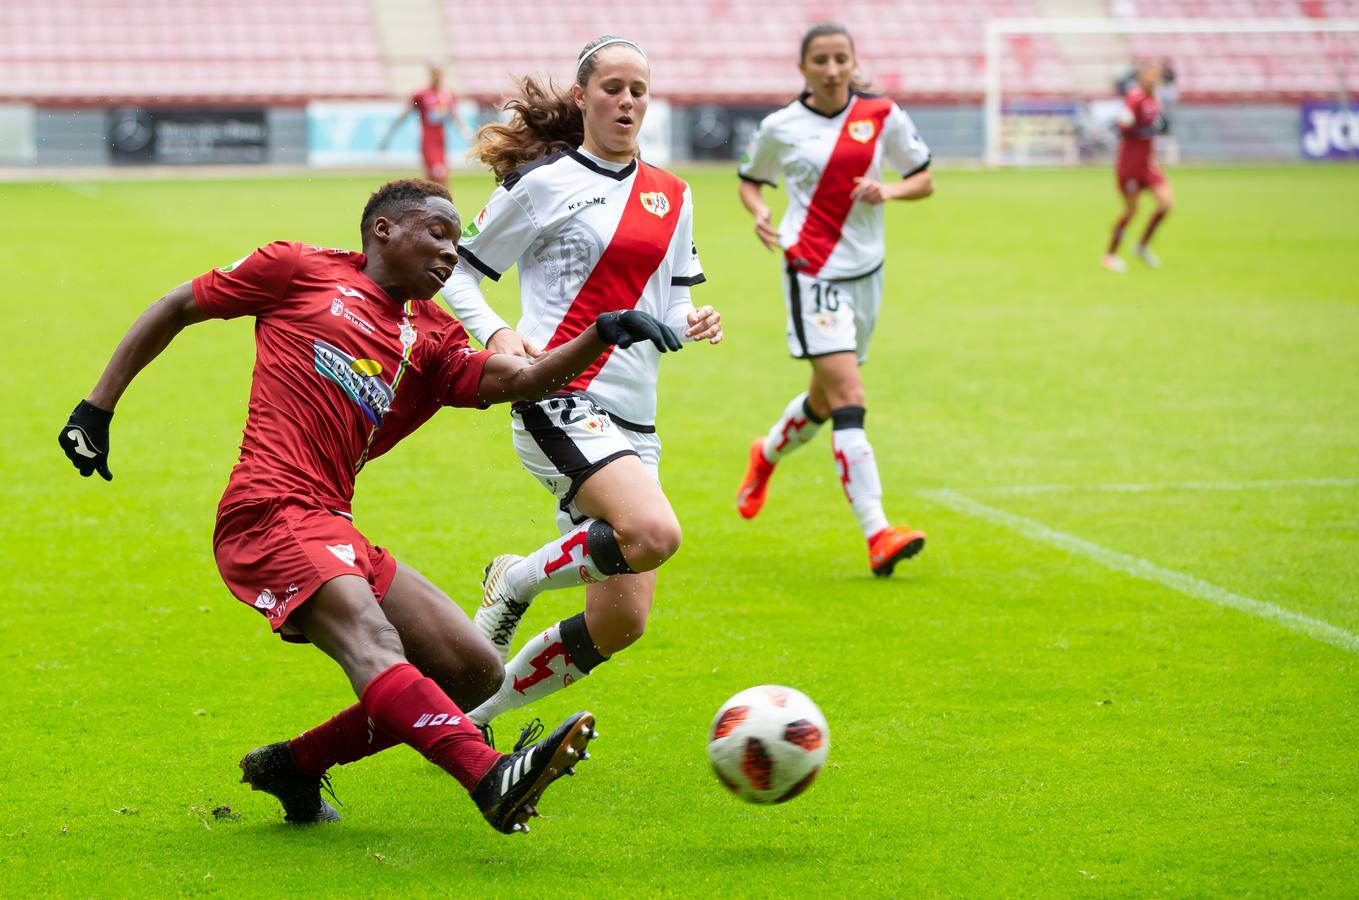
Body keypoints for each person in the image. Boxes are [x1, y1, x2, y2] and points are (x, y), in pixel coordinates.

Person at [56, 178, 684, 833]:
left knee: (472, 670)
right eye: (437, 235)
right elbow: (177, 305)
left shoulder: (432, 338)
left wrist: (600, 336)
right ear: (383, 230)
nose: (451, 253)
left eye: (457, 241)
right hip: (268, 510)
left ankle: (292, 765)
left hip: (331, 522)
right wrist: (96, 408)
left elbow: (523, 378)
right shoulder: (298, 269)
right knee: (373, 642)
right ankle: (487, 775)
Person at [440, 35, 722, 728]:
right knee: (653, 531)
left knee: (619, 624)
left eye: (638, 90)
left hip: (635, 416)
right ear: (581, 96)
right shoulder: (541, 184)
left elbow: (670, 303)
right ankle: (516, 581)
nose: (627, 101)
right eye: (612, 87)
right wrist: (499, 335)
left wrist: (695, 319)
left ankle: (473, 720)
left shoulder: (673, 195)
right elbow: (457, 270)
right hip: (556, 393)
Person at [734, 22, 933, 577]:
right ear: (803, 68)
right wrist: (759, 212)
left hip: (867, 271)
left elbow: (923, 178)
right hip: (810, 269)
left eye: (840, 58)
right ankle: (878, 531)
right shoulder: (780, 126)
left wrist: (887, 189)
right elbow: (751, 178)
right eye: (819, 59)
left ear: (852, 62)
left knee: (823, 401)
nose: (830, 68)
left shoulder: (882, 115)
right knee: (849, 396)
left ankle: (765, 453)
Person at [1104, 61, 1174, 272]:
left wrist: (1156, 128)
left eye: (1156, 75)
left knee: (1166, 204)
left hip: (1148, 164)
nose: (1153, 79)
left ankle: (1141, 246)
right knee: (1132, 211)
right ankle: (1110, 254)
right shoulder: (1135, 98)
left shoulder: (1155, 99)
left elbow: (1154, 126)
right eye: (1149, 74)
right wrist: (1136, 128)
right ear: (1141, 76)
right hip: (1130, 165)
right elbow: (1121, 125)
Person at [380, 62, 473, 189]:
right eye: (434, 73)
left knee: (440, 178)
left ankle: (439, 205)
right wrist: (388, 136)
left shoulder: (448, 95)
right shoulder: (421, 95)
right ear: (429, 74)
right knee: (437, 175)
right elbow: (404, 115)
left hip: (442, 142)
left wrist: (467, 134)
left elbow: (455, 117)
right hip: (428, 141)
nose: (436, 76)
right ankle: (437, 205)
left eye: (439, 73)